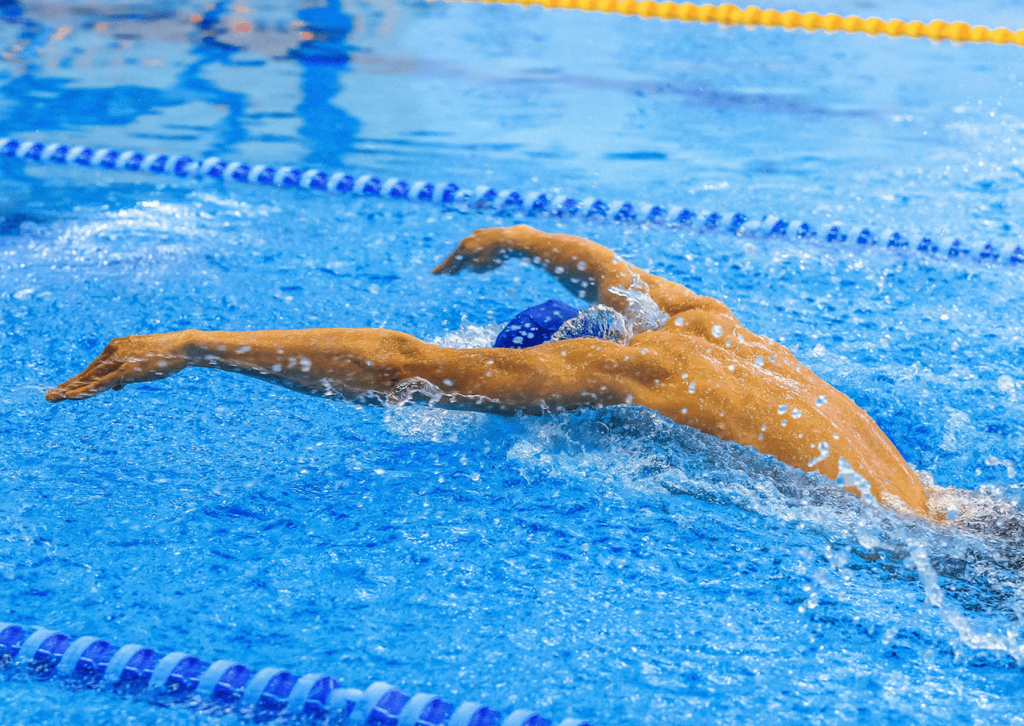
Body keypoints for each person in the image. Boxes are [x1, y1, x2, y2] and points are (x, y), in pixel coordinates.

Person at [46, 224, 930, 516]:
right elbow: (608, 266)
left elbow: (404, 366)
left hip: (918, 548)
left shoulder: (613, 373)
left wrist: (200, 346)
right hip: (964, 510)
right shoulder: (707, 328)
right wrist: (520, 240)